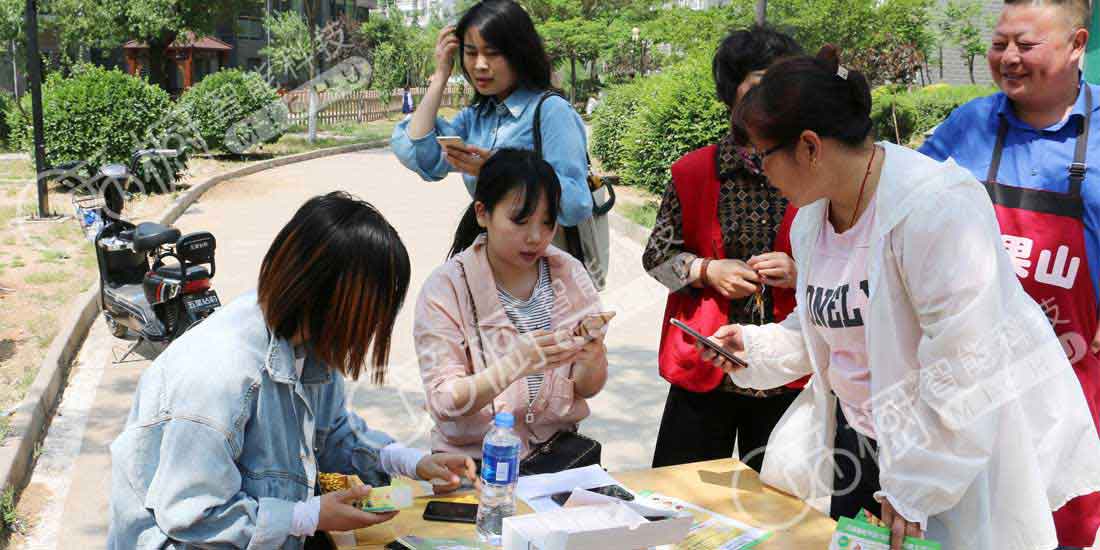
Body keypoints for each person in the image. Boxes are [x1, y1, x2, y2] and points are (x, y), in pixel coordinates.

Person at [699, 46, 1100, 550]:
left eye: (763, 156)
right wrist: (753, 348)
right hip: (865, 444)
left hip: (948, 453)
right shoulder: (812, 219)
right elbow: (828, 326)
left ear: (809, 146)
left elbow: (965, 361)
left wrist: (914, 488)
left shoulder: (934, 209)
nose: (762, 172)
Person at [108, 192, 477, 549]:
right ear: (332, 296)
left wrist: (413, 462)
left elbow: (332, 433)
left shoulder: (308, 341)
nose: (376, 324)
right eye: (374, 307)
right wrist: (308, 517)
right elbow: (194, 515)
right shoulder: (220, 376)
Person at [918, 2, 1099, 546]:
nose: (1009, 58)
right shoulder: (968, 126)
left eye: (1026, 44)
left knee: (1060, 520)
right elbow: (907, 214)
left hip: (1074, 379)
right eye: (1000, 44)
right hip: (972, 382)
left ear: (1077, 45)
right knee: (969, 525)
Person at [643, 26, 807, 472]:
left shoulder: (813, 168)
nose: (772, 99)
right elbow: (656, 258)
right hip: (706, 363)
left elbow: (848, 261)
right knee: (680, 491)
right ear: (730, 94)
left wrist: (800, 273)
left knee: (778, 499)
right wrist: (705, 270)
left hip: (786, 371)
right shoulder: (693, 171)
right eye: (758, 85)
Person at [414, 149, 609, 460]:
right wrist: (514, 365)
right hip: (473, 461)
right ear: (482, 213)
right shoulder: (445, 288)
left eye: (547, 223)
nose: (535, 237)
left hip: (555, 456)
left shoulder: (570, 274)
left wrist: (593, 358)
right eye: (520, 221)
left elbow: (586, 389)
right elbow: (444, 401)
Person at [391, 0, 593, 247]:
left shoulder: (552, 112)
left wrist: (502, 171)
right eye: (471, 52)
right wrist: (441, 75)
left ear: (520, 53)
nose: (480, 65)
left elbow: (576, 204)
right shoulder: (476, 117)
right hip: (490, 256)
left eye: (493, 53)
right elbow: (420, 156)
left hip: (538, 259)